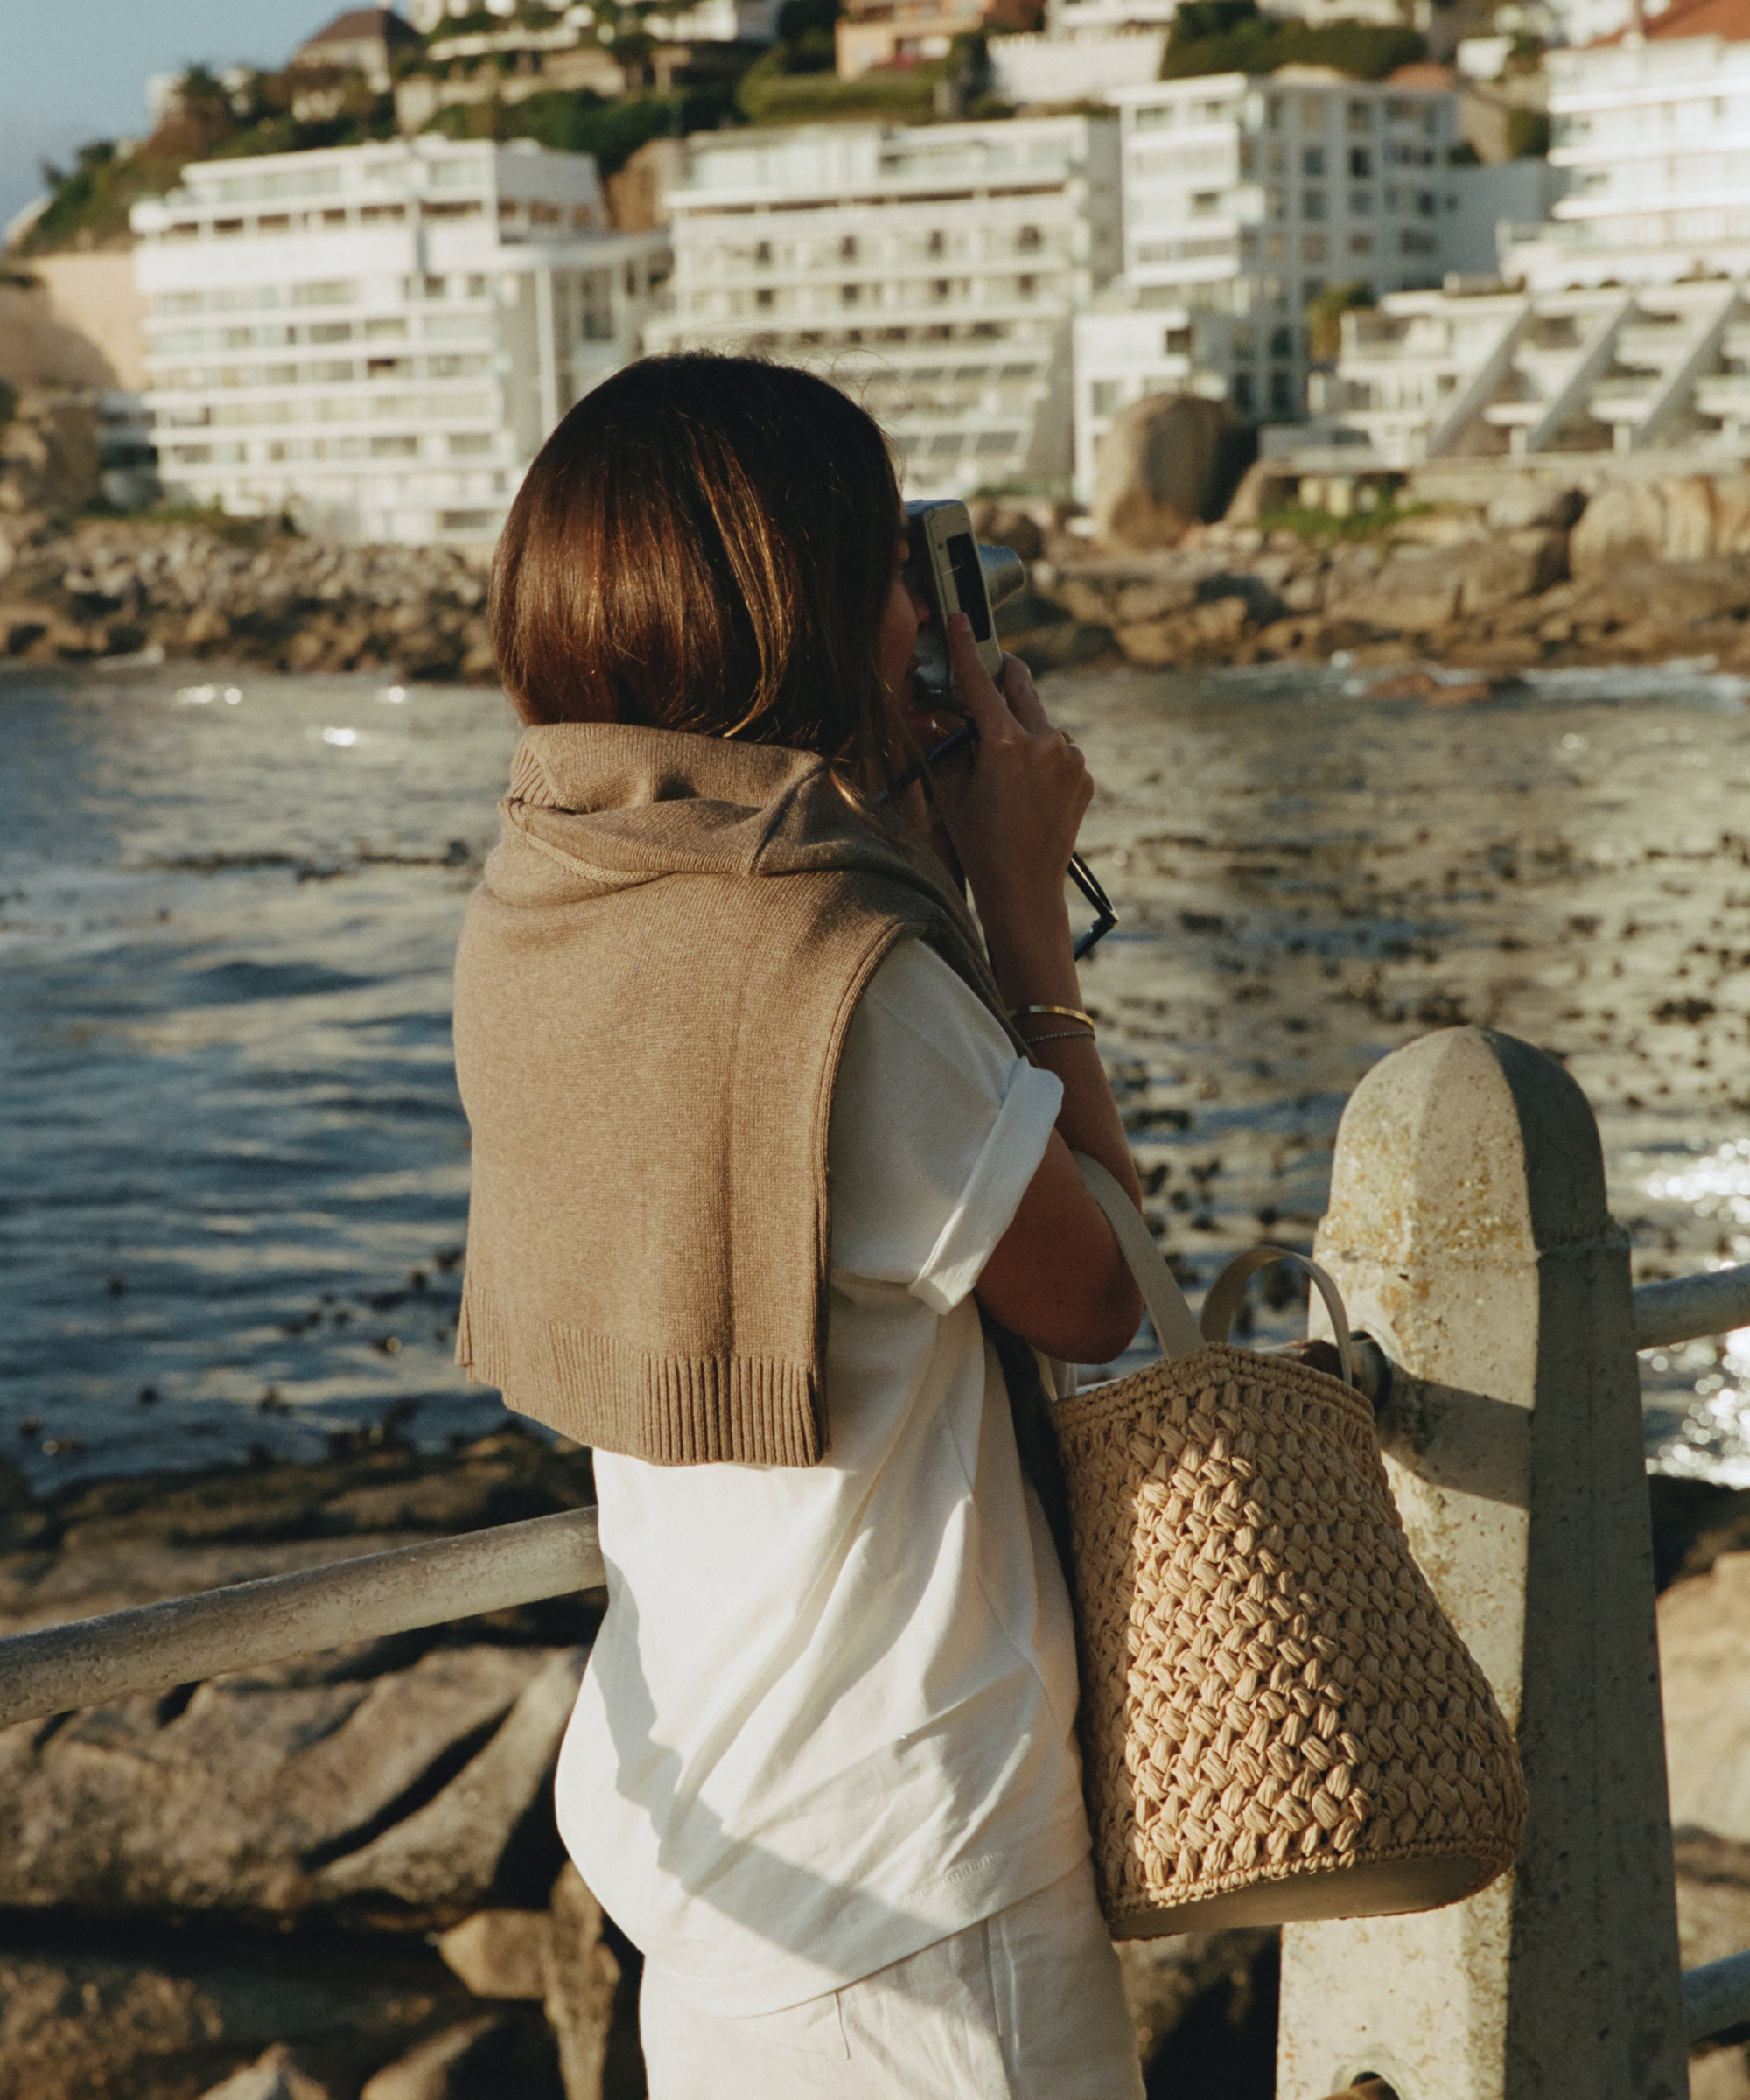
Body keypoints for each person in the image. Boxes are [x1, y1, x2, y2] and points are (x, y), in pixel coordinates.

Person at [452, 353, 1149, 2098]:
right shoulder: (849, 981)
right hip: (920, 1870)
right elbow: (1102, 1296)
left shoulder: (548, 904)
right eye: (890, 566)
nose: (922, 605)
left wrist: (900, 833)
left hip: (705, 1840)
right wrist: (1018, 909)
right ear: (807, 611)